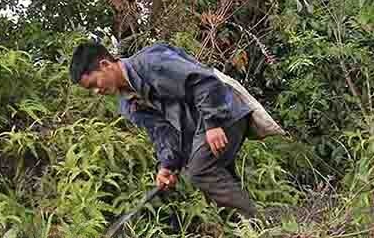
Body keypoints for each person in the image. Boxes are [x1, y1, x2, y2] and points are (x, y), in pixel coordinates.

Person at [69, 40, 265, 219]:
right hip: (202, 127)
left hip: (224, 110)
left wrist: (213, 123)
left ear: (105, 65)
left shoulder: (152, 63)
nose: (97, 91)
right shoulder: (129, 105)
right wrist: (167, 166)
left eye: (94, 84)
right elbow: (163, 133)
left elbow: (205, 81)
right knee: (217, 181)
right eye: (90, 90)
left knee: (200, 171)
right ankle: (248, 235)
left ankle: (259, 227)